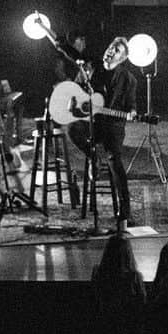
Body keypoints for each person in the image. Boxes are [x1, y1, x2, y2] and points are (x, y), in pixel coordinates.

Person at [66, 35, 138, 231]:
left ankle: (125, 211)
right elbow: (75, 88)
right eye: (111, 46)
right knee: (72, 128)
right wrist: (75, 101)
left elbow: (131, 106)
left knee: (115, 160)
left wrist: (131, 113)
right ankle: (92, 157)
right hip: (93, 122)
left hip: (113, 126)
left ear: (123, 58)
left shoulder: (128, 80)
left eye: (117, 50)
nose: (111, 50)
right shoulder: (91, 67)